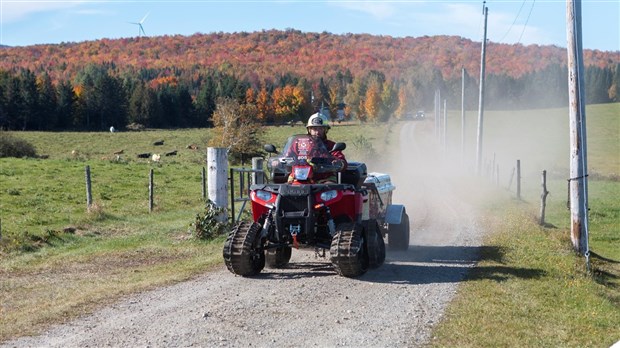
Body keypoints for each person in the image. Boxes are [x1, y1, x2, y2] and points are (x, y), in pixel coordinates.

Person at [305, 112, 347, 182]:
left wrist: (338, 163)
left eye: (320, 129)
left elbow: (342, 161)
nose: (317, 132)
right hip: (302, 178)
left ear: (325, 130)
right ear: (309, 130)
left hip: (325, 179)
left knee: (330, 190)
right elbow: (288, 155)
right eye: (314, 129)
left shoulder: (331, 146)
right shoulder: (299, 144)